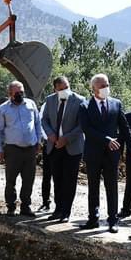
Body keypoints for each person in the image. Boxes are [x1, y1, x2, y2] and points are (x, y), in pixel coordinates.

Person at [79, 73, 131, 233]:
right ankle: (93, 219)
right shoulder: (85, 107)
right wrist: (107, 139)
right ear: (93, 89)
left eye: (107, 84)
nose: (105, 88)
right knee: (93, 187)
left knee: (112, 187)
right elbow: (87, 129)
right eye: (102, 86)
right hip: (93, 153)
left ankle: (113, 220)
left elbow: (124, 127)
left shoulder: (116, 104)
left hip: (112, 154)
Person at [0, 80, 43, 216]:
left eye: (22, 92)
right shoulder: (4, 108)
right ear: (10, 93)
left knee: (29, 179)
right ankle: (11, 206)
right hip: (12, 149)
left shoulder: (31, 104)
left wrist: (39, 141)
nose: (20, 94)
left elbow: (38, 123)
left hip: (30, 149)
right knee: (11, 179)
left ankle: (25, 206)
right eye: (17, 92)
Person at [41, 76, 85, 222]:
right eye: (61, 89)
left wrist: (66, 138)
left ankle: (66, 212)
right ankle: (58, 209)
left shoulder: (79, 100)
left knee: (69, 180)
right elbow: (44, 120)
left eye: (66, 87)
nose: (65, 91)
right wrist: (50, 135)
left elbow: (81, 125)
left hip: (72, 147)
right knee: (57, 179)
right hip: (54, 146)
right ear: (55, 89)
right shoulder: (50, 100)